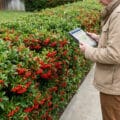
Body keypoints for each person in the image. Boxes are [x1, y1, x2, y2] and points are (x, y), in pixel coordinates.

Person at [79, 0, 120, 120]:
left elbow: (114, 54)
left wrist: (87, 50)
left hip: (114, 86)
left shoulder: (118, 15)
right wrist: (98, 39)